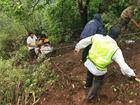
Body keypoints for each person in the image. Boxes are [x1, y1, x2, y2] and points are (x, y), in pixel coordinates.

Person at [74, 28, 136, 100]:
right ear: (117, 37)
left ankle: (87, 85)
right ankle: (89, 97)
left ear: (109, 32)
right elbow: (124, 66)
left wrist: (77, 48)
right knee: (97, 81)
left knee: (89, 73)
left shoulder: (97, 37)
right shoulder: (116, 50)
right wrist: (132, 74)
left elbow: (84, 41)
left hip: (89, 62)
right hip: (98, 70)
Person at [80, 13, 104, 88]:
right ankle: (89, 82)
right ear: (99, 19)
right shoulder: (98, 24)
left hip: (84, 41)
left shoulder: (89, 22)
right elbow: (101, 35)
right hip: (91, 42)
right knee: (93, 61)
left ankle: (85, 60)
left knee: (86, 57)